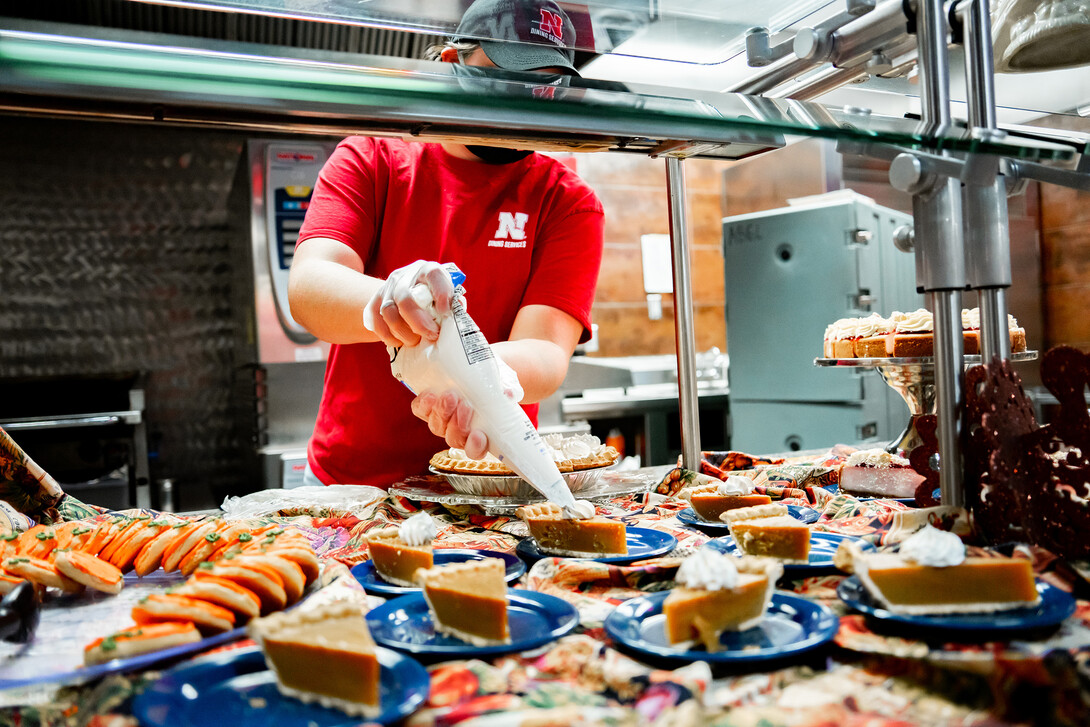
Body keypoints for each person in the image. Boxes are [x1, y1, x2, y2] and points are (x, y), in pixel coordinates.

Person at [288, 0, 605, 488]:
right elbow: (310, 289)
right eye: (506, 79)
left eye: (544, 88)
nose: (523, 104)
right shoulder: (372, 157)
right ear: (452, 64)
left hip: (493, 482)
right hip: (352, 486)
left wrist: (474, 377)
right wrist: (390, 300)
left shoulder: (566, 200)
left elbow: (544, 349)